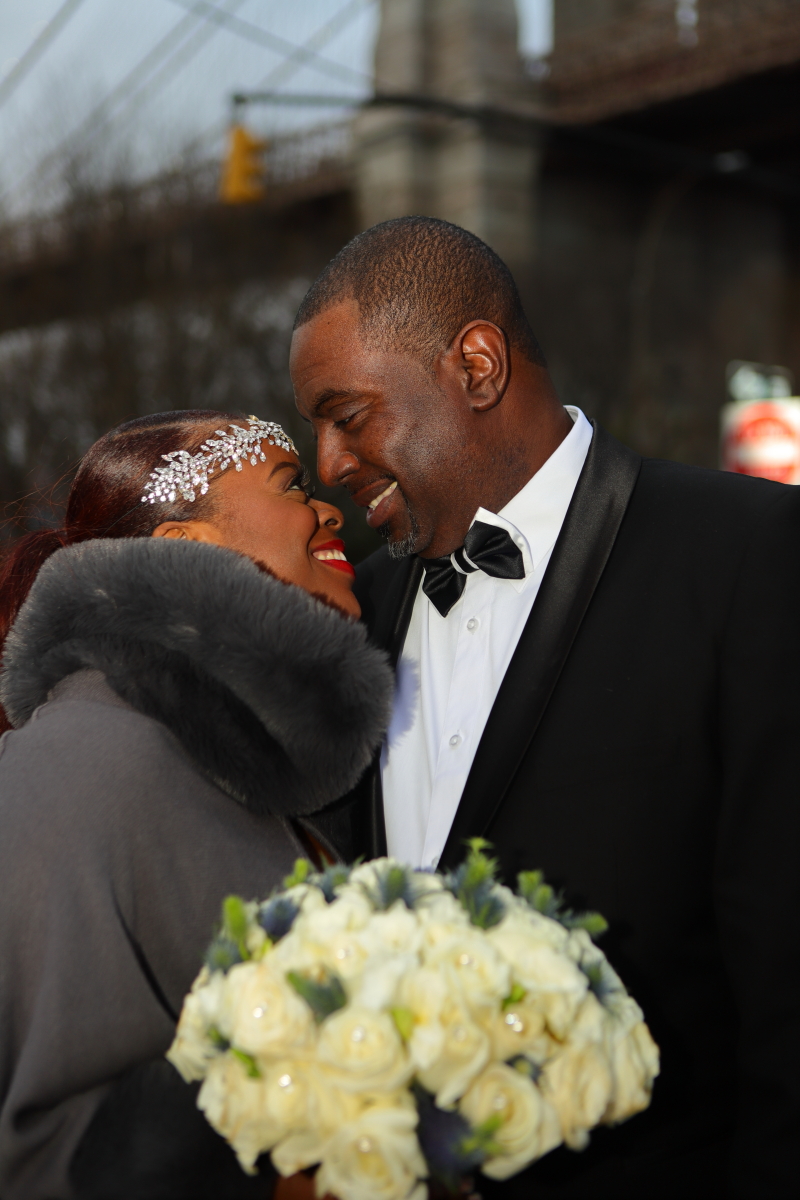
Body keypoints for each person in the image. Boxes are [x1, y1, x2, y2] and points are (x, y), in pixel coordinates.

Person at [290, 217, 800, 1199]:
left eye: (346, 415)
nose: (329, 462)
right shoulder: (354, 611)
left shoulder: (747, 555)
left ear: (476, 367)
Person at [0, 410, 393, 1200]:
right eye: (292, 487)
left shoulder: (261, 767)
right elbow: (43, 1150)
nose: (327, 510)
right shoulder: (78, 762)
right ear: (186, 546)